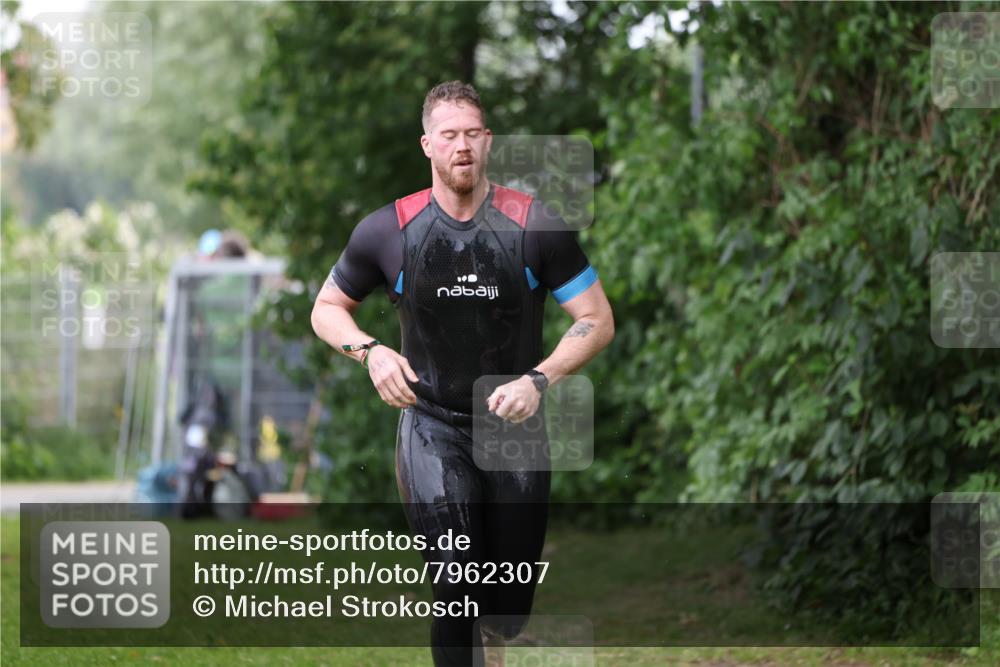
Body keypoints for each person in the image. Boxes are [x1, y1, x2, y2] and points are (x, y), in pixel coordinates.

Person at [311, 80, 614, 666]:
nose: (462, 146)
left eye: (473, 133)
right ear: (428, 144)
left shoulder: (535, 226)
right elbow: (326, 308)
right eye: (449, 135)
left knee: (505, 609)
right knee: (456, 581)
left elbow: (597, 319)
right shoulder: (389, 231)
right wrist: (370, 352)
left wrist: (539, 379)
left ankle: (494, 645)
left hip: (513, 430)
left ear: (488, 140)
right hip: (431, 425)